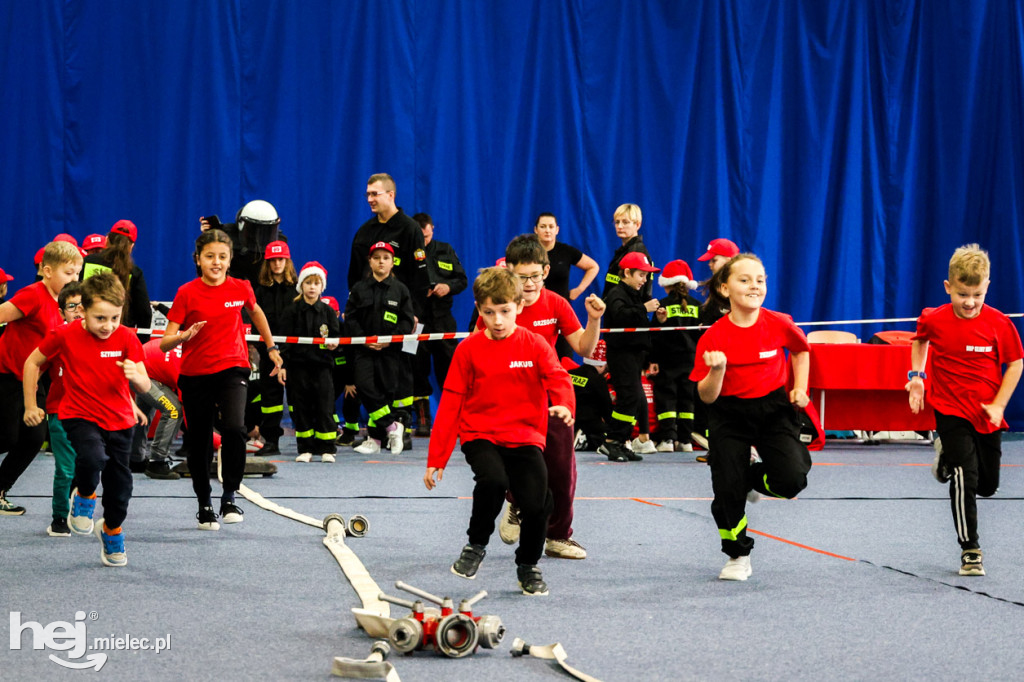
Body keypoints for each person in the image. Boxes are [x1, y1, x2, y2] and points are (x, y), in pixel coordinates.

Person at [424, 267, 575, 596]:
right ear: (479, 310)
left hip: (525, 437)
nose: (497, 320)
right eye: (489, 312)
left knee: (537, 503)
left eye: (505, 311)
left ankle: (528, 565)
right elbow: (450, 405)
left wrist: (564, 404)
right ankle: (476, 545)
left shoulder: (534, 345)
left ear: (519, 307)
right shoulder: (468, 350)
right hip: (481, 434)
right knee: (494, 481)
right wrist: (437, 458)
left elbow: (558, 379)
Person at [690, 253, 812, 581]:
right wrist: (717, 370)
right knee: (727, 488)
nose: (754, 286)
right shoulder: (713, 336)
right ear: (724, 288)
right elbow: (706, 396)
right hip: (728, 414)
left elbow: (801, 351)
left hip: (773, 410)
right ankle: (737, 554)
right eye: (744, 280)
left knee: (791, 481)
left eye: (760, 280)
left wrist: (800, 387)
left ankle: (750, 478)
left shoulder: (779, 323)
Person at [907, 244, 1022, 577]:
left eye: (976, 295)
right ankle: (970, 548)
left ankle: (944, 458)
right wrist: (917, 376)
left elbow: (1015, 363)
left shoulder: (999, 324)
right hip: (949, 408)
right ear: (948, 287)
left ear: (987, 288)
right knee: (965, 476)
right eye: (962, 294)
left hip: (986, 414)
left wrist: (999, 404)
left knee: (987, 485)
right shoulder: (934, 317)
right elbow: (920, 340)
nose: (969, 302)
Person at [490, 234, 605, 561]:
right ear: (508, 271)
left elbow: (583, 347)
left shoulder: (556, 303)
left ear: (545, 270)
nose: (529, 284)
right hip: (511, 398)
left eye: (536, 276)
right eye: (521, 277)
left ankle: (557, 536)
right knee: (518, 463)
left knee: (561, 468)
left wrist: (594, 320)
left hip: (554, 396)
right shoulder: (499, 307)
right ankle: (515, 500)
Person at [23, 272, 151, 567]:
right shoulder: (64, 334)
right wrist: (31, 404)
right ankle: (84, 495)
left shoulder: (128, 338)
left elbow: (145, 382)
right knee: (92, 458)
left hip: (120, 420)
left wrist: (138, 379)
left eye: (114, 318)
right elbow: (33, 362)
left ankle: (111, 530)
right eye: (100, 318)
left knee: (121, 489)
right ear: (82, 311)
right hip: (78, 414)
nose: (108, 326)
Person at [161, 229, 283, 531]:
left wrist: (271, 348)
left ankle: (229, 496)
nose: (216, 262)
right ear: (198, 260)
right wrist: (183, 336)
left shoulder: (241, 287)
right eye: (210, 257)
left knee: (233, 428)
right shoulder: (186, 292)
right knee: (199, 440)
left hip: (233, 369)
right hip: (195, 374)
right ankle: (204, 503)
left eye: (222, 257)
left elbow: (257, 315)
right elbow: (164, 342)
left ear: (229, 261)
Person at [0, 240, 82, 515]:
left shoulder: (67, 304)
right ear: (47, 271)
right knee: (7, 437)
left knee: (34, 438)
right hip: (5, 375)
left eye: (77, 273)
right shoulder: (33, 295)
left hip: (33, 379)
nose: (74, 279)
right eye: (68, 273)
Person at [349, 174, 430, 447]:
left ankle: (402, 431)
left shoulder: (409, 229)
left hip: (404, 318)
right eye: (368, 194)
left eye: (375, 194)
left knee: (402, 373)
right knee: (370, 375)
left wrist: (414, 315)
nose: (370, 199)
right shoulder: (364, 232)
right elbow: (354, 276)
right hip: (370, 318)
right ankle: (378, 432)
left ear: (391, 195)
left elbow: (421, 277)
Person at [346, 242, 415, 455]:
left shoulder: (400, 290)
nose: (381, 261)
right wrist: (364, 339)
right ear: (370, 261)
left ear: (392, 262)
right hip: (364, 350)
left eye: (386, 257)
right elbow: (350, 318)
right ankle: (393, 426)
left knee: (385, 392)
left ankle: (375, 439)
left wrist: (389, 341)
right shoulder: (359, 288)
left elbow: (407, 322)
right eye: (376, 257)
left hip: (390, 352)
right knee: (365, 386)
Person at [278, 261, 342, 463]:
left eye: (316, 283)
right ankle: (305, 448)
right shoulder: (291, 311)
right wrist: (283, 367)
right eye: (308, 282)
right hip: (298, 368)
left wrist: (334, 345)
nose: (312, 287)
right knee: (301, 407)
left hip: (322, 367)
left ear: (322, 287)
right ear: (301, 286)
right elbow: (285, 343)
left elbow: (337, 338)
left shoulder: (328, 312)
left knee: (324, 407)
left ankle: (327, 448)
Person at [410, 213, 467, 437]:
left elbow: (462, 279)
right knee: (417, 369)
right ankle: (422, 419)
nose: (424, 239)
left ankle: (455, 419)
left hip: (443, 319)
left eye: (427, 235)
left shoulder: (445, 249)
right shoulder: (407, 252)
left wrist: (447, 286)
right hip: (418, 319)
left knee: (451, 370)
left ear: (432, 229)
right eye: (419, 236)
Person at [601, 251, 661, 461]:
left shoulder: (635, 295)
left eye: (647, 276)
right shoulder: (617, 293)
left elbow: (641, 327)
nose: (645, 280)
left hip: (635, 354)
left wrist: (658, 319)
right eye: (641, 275)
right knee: (629, 397)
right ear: (627, 272)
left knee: (633, 399)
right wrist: (644, 308)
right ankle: (611, 441)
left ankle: (622, 440)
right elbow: (620, 317)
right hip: (621, 354)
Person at [39, 282, 85, 536]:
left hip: (91, 414)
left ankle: (77, 506)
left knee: (88, 465)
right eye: (71, 306)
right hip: (60, 411)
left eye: (82, 305)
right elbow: (34, 365)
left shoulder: (100, 336)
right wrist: (29, 403)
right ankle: (59, 518)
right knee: (65, 468)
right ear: (61, 312)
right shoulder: (57, 335)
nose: (78, 311)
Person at [694, 237, 741, 458]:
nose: (710, 264)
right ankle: (718, 448)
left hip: (731, 356)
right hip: (714, 356)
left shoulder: (736, 287)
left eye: (714, 260)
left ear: (730, 260)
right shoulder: (716, 287)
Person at [651, 260, 702, 453]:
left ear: (666, 284)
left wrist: (652, 360)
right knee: (688, 398)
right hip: (691, 360)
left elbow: (654, 335)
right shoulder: (698, 306)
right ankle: (686, 441)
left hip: (667, 360)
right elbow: (701, 336)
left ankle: (667, 439)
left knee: (667, 397)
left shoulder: (660, 305)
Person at [252, 240, 297, 456]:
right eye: (273, 260)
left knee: (300, 398)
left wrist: (286, 357)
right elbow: (255, 325)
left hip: (295, 355)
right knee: (270, 400)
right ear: (267, 263)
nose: (277, 264)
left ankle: (310, 442)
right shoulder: (260, 291)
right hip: (268, 353)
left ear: (287, 261)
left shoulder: (297, 290)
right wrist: (269, 351)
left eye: (281, 259)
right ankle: (271, 441)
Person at [81, 220, 153, 340]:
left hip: (85, 330)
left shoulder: (87, 261)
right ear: (131, 246)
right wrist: (141, 345)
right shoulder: (134, 272)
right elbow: (144, 314)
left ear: (107, 239)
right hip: (117, 336)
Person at [131, 339, 184, 480]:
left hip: (142, 365)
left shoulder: (194, 355)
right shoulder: (191, 370)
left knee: (144, 413)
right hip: (142, 370)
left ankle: (135, 459)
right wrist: (220, 441)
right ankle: (157, 462)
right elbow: (189, 414)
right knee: (174, 411)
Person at [200, 200, 284, 286]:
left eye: (266, 231)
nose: (260, 237)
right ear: (242, 225)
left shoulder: (279, 244)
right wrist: (210, 236)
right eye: (255, 230)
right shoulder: (227, 238)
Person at [534, 213, 600, 302]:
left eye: (551, 226)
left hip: (560, 307)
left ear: (557, 230)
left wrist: (579, 290)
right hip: (533, 305)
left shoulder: (566, 251)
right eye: (543, 226)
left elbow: (593, 267)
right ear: (536, 230)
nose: (547, 230)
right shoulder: (527, 252)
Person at [566, 340, 613, 452]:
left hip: (569, 422)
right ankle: (585, 439)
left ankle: (577, 436)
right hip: (590, 424)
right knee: (610, 436)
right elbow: (607, 410)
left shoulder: (569, 373)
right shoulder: (598, 380)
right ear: (603, 364)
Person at [601, 204, 652, 300]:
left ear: (637, 224)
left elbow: (635, 293)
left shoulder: (636, 253)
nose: (619, 226)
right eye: (617, 222)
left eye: (625, 222)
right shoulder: (623, 251)